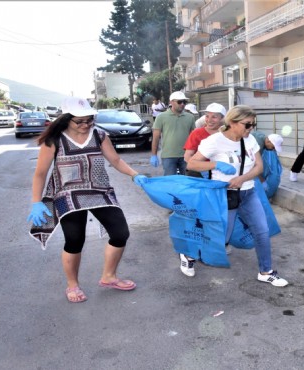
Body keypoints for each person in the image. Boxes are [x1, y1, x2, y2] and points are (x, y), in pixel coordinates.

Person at [26, 96, 150, 303]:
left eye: (89, 120)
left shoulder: (100, 135)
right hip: (68, 194)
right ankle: (72, 285)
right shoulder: (54, 140)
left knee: (120, 233)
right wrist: (36, 201)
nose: (85, 125)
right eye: (79, 121)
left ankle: (109, 277)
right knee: (75, 240)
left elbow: (116, 160)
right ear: (66, 119)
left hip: (100, 191)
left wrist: (135, 174)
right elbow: (40, 173)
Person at [186, 105, 288, 287]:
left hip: (248, 192)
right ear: (232, 122)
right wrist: (215, 165)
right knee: (222, 237)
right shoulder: (215, 141)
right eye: (247, 125)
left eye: (253, 125)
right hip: (225, 194)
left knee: (262, 232)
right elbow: (192, 164)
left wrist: (243, 178)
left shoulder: (249, 140)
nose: (251, 129)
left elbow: (259, 166)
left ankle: (266, 271)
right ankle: (189, 254)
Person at [150, 91, 196, 175]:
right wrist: (154, 155)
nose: (182, 104)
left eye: (184, 102)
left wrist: (195, 154)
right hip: (168, 156)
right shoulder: (161, 117)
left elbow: (193, 137)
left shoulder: (190, 117)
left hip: (186, 156)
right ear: (171, 102)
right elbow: (156, 137)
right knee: (170, 182)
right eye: (179, 102)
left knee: (187, 182)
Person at [183, 102, 227, 177]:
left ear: (222, 118)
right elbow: (187, 156)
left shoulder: (227, 134)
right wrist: (201, 169)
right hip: (200, 174)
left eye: (214, 117)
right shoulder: (197, 133)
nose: (209, 120)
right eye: (207, 116)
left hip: (222, 173)